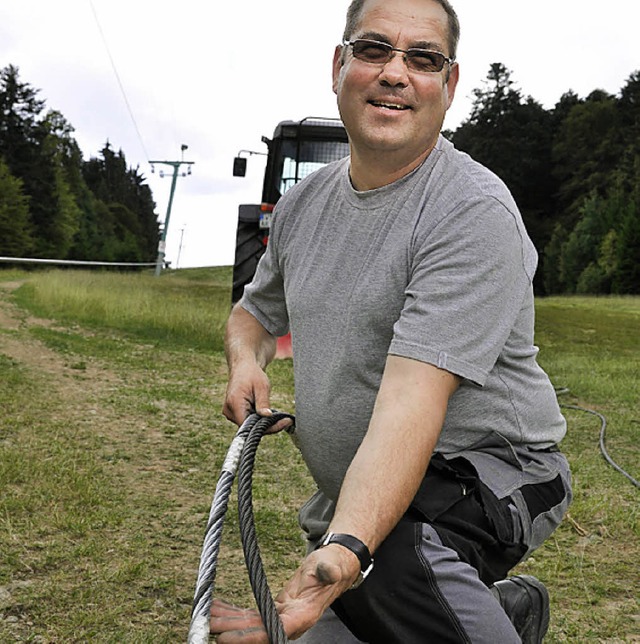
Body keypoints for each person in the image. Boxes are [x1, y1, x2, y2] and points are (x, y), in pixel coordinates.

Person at [214, 0, 572, 641]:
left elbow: (412, 398)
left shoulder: (472, 211)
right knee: (356, 598)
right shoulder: (302, 205)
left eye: (423, 59)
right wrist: (247, 363)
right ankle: (503, 609)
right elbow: (254, 314)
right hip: (372, 488)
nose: (395, 73)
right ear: (339, 65)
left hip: (494, 469)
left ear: (449, 84)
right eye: (374, 49)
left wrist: (351, 544)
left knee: (388, 567)